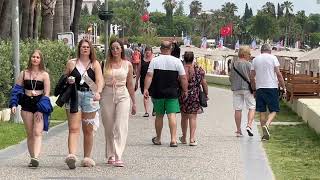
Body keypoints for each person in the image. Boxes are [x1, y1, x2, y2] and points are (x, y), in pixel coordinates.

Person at [63, 39, 104, 169]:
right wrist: (68, 80)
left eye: (87, 47)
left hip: (89, 97)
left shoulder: (95, 64)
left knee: (88, 129)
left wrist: (98, 92)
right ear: (79, 48)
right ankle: (72, 156)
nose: (85, 49)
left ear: (90, 49)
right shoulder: (71, 63)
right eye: (82, 47)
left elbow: (99, 80)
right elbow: (63, 79)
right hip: (74, 96)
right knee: (73, 128)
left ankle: (87, 157)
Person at [9, 49, 52, 168]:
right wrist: (13, 104)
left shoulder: (45, 75)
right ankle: (32, 158)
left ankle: (36, 157)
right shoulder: (24, 73)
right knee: (30, 133)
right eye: (33, 57)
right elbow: (17, 90)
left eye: (37, 57)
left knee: (37, 132)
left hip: (39, 104)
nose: (35, 59)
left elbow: (47, 93)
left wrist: (41, 107)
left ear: (41, 60)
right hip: (26, 104)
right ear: (30, 58)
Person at [144, 41, 188, 147]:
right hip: (172, 92)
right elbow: (183, 77)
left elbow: (149, 76)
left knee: (159, 116)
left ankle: (158, 138)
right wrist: (185, 90)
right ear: (171, 49)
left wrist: (146, 88)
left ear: (161, 49)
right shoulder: (177, 61)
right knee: (171, 115)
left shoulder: (154, 61)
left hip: (158, 92)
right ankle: (173, 139)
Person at [100, 39, 136, 167]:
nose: (115, 50)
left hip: (122, 94)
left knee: (120, 125)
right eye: (112, 48)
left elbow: (130, 84)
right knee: (109, 126)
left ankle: (118, 155)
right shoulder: (104, 63)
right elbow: (99, 81)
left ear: (121, 49)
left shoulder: (128, 65)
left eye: (117, 48)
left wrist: (134, 102)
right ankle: (110, 153)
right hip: (107, 93)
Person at [250, 44, 286, 141]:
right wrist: (283, 87)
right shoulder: (273, 58)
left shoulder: (255, 60)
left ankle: (264, 135)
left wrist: (253, 89)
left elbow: (252, 77)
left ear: (261, 51)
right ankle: (267, 124)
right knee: (274, 110)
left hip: (260, 88)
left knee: (262, 112)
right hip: (272, 87)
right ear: (270, 51)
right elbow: (278, 74)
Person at [179, 51, 208, 146]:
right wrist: (206, 94)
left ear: (184, 58)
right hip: (195, 94)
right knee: (193, 117)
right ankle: (192, 139)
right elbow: (204, 83)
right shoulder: (198, 69)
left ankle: (183, 137)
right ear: (193, 58)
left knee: (184, 117)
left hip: (183, 94)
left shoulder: (181, 69)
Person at [229, 46, 255, 137]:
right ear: (244, 54)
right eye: (249, 54)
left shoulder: (233, 64)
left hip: (236, 88)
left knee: (238, 109)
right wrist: (254, 88)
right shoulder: (249, 64)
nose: (250, 56)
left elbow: (231, 77)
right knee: (252, 107)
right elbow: (252, 78)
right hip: (247, 88)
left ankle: (239, 130)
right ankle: (249, 125)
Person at [135, 46, 154, 117]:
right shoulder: (142, 60)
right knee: (145, 95)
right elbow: (139, 71)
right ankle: (146, 112)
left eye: (149, 53)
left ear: (151, 53)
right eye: (146, 53)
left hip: (153, 80)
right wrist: (136, 81)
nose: (147, 54)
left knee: (153, 96)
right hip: (143, 80)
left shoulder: (154, 60)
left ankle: (154, 109)